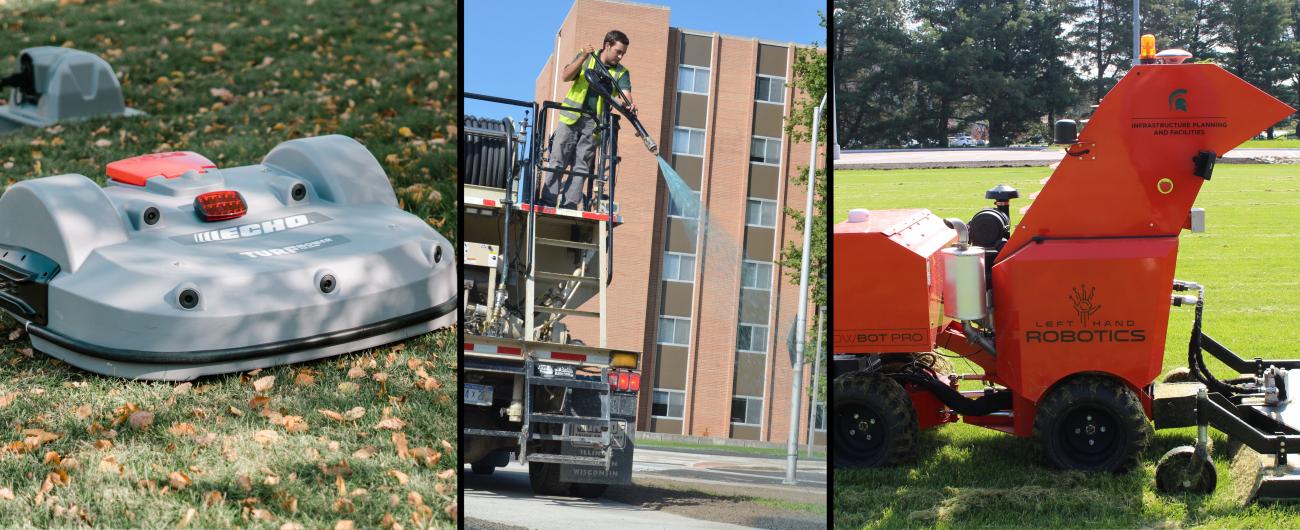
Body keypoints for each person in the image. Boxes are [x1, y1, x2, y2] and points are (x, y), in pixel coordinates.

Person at [540, 30, 637, 210]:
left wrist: (629, 104)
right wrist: (583, 56)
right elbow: (566, 76)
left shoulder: (621, 72)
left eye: (623, 53)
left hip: (594, 124)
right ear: (607, 45)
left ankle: (569, 204)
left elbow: (625, 95)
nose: (621, 56)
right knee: (557, 159)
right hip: (571, 116)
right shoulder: (587, 57)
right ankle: (548, 201)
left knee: (582, 166)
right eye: (618, 51)